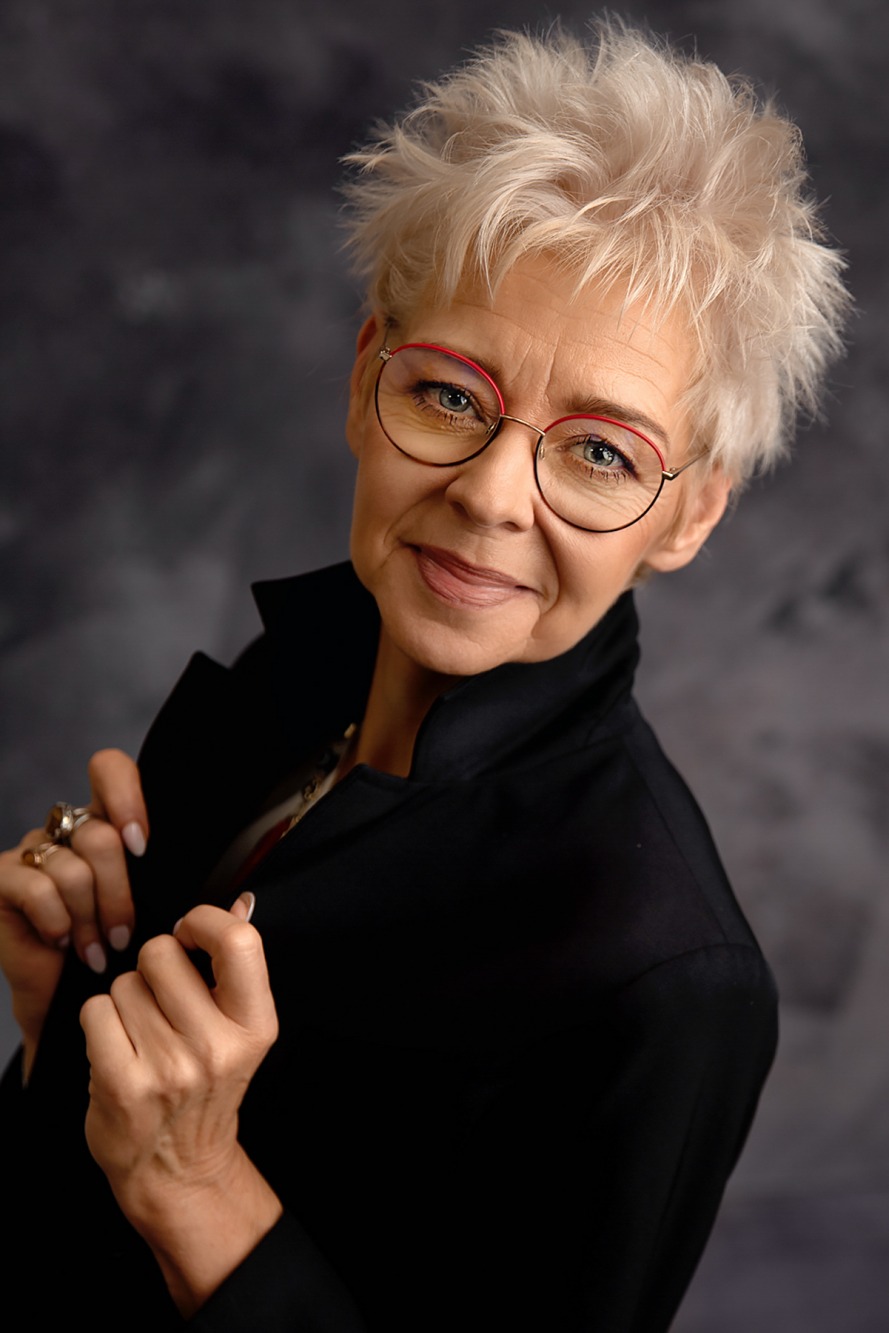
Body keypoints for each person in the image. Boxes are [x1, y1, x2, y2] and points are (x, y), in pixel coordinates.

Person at [0, 20, 848, 1332]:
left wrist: (195, 1188)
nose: (492, 495)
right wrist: (56, 1019)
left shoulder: (668, 984)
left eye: (601, 452)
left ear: (687, 517)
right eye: (452, 394)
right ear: (365, 382)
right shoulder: (289, 684)